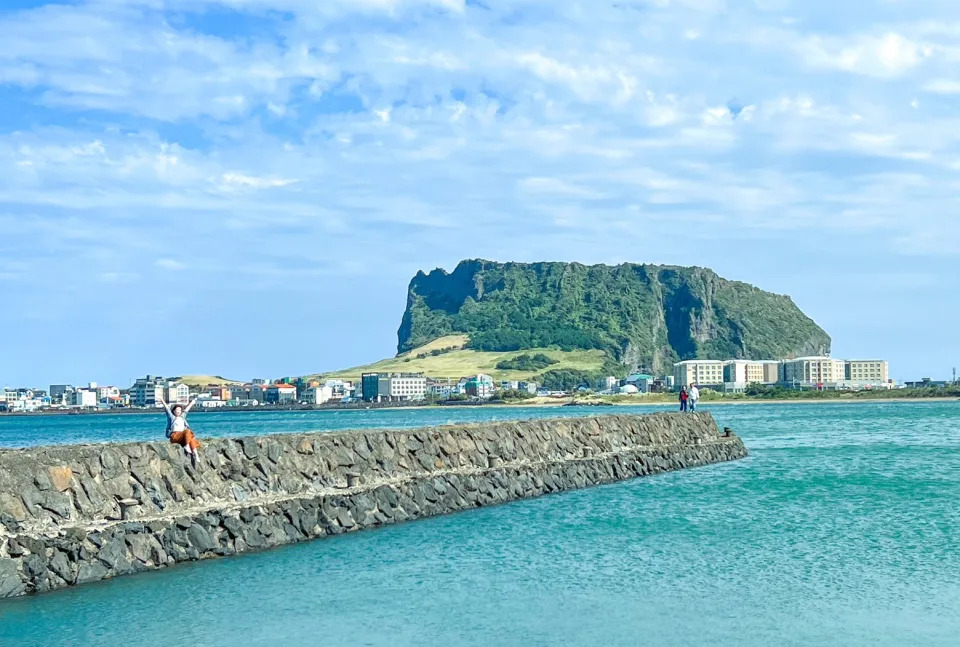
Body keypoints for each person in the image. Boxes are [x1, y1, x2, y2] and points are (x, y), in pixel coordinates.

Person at [160, 395, 200, 466]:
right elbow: (167, 408)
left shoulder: (182, 417)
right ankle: (186, 446)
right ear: (174, 411)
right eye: (177, 410)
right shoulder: (172, 417)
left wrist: (192, 402)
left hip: (182, 436)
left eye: (180, 410)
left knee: (191, 438)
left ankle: (196, 454)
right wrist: (162, 400)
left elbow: (187, 409)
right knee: (188, 432)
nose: (178, 411)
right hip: (174, 436)